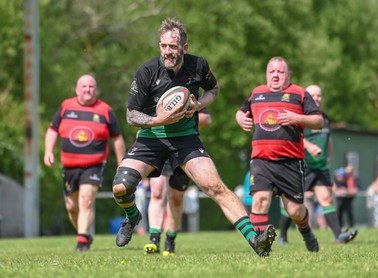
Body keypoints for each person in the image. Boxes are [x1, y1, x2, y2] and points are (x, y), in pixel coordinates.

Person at [111, 18, 274, 257]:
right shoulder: (147, 71)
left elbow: (214, 90)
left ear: (184, 48)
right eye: (164, 46)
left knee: (215, 187)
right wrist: (159, 120)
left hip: (186, 139)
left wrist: (199, 105)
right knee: (121, 186)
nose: (168, 52)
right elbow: (130, 115)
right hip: (151, 139)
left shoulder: (198, 66)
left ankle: (255, 240)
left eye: (173, 47)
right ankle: (133, 217)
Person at [235, 56, 323, 252]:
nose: (275, 75)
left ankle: (306, 231)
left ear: (288, 74)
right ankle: (261, 248)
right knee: (259, 201)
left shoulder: (299, 94)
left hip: (290, 162)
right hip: (261, 160)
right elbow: (241, 111)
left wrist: (297, 118)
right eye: (271, 71)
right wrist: (241, 118)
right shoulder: (257, 93)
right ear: (266, 74)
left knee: (295, 211)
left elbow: (318, 121)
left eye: (280, 72)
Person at [43, 74, 126, 252]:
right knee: (72, 207)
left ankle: (81, 242)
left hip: (94, 164)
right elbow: (52, 130)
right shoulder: (66, 106)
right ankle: (85, 234)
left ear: (96, 90)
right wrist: (48, 151)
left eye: (91, 86)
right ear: (76, 89)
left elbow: (117, 138)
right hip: (69, 166)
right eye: (84, 86)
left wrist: (121, 162)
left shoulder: (105, 110)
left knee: (86, 199)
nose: (88, 90)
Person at [278, 84, 358, 245]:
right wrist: (309, 146)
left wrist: (329, 155)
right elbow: (292, 137)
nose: (316, 98)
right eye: (313, 95)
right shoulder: (298, 117)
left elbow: (327, 138)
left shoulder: (324, 118)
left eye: (319, 95)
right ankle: (283, 236)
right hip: (301, 166)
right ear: (306, 97)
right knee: (292, 204)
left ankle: (338, 236)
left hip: (320, 168)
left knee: (327, 198)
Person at [144, 108, 212, 256]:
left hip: (184, 147)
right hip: (159, 146)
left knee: (176, 198)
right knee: (157, 192)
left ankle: (170, 238)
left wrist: (180, 118)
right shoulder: (154, 88)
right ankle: (154, 239)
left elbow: (207, 119)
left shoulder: (187, 91)